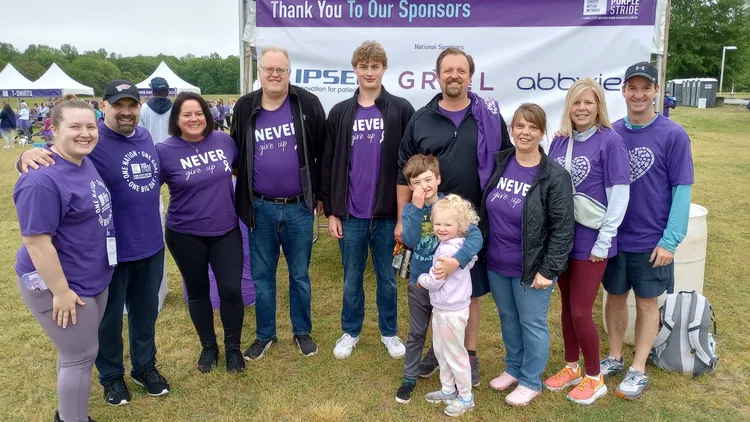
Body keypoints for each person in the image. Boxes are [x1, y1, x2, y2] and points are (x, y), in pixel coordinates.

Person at [18, 80, 169, 407]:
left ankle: (145, 367)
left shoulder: (144, 137)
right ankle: (112, 377)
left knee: (146, 314)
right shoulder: (91, 140)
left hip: (151, 246)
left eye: (132, 105)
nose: (126, 112)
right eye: (118, 105)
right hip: (109, 253)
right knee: (108, 320)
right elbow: (52, 158)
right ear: (104, 106)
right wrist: (26, 155)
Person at [398, 47, 513, 386]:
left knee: (469, 289)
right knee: (435, 281)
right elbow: (402, 170)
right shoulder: (422, 118)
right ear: (438, 76)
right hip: (430, 221)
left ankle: (469, 353)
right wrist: (402, 218)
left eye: (460, 70)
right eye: (448, 70)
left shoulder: (488, 114)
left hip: (474, 218)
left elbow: (507, 159)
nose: (454, 76)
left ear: (470, 76)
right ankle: (438, 348)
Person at [14, 100, 113, 422]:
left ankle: (67, 413)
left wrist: (26, 153)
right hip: (61, 284)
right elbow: (36, 243)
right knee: (80, 356)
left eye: (90, 126)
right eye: (75, 126)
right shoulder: (42, 180)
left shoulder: (82, 161)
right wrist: (60, 291)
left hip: (90, 274)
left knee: (75, 353)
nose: (85, 134)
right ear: (53, 130)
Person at [600, 62, 694, 400]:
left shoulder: (673, 134)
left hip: (652, 241)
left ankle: (638, 368)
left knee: (646, 303)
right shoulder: (611, 133)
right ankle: (613, 356)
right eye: (632, 87)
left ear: (656, 91)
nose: (639, 94)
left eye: (646, 87)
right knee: (613, 296)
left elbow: (682, 190)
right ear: (623, 91)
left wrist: (670, 240)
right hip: (615, 238)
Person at [230, 46, 326, 360]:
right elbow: (235, 154)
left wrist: (320, 196)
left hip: (299, 207)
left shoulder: (307, 103)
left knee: (300, 274)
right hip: (261, 207)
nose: (274, 74)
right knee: (262, 275)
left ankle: (302, 332)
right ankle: (264, 335)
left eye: (280, 70)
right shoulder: (245, 107)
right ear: (260, 73)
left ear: (288, 73)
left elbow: (323, 153)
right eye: (268, 69)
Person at [321, 41, 414, 360]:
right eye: (364, 66)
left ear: (384, 69)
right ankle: (350, 330)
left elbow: (412, 164)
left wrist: (408, 212)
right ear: (355, 69)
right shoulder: (340, 112)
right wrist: (331, 211)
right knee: (351, 278)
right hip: (351, 215)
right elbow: (328, 162)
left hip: (388, 214)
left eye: (375, 66)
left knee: (388, 279)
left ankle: (390, 332)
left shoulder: (401, 109)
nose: (369, 72)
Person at [480, 103, 574, 407]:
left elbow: (562, 229)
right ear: (512, 130)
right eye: (520, 126)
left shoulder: (554, 176)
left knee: (532, 322)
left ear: (541, 132)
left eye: (533, 127)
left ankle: (531, 380)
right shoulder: (501, 162)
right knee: (508, 318)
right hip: (497, 261)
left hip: (532, 266)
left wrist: (548, 270)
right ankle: (514, 368)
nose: (525, 132)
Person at [543, 79, 630, 404]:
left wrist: (603, 242)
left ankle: (594, 376)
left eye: (588, 103)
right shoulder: (560, 142)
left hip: (592, 243)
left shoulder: (611, 142)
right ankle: (571, 366)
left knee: (581, 311)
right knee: (566, 307)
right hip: (562, 240)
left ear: (599, 107)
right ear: (569, 107)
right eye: (576, 103)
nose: (582, 108)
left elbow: (619, 196)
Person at [156, 92, 245, 373]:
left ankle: (233, 348)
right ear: (177, 119)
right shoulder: (163, 150)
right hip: (184, 234)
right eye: (186, 114)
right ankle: (209, 347)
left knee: (231, 290)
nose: (194, 119)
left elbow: (243, 169)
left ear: (207, 116)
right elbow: (146, 187)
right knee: (197, 292)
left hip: (225, 230)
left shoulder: (224, 140)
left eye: (198, 113)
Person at [395, 154, 483, 405]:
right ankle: (410, 377)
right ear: (410, 186)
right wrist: (416, 207)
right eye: (417, 182)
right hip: (421, 281)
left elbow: (476, 237)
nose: (424, 186)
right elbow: (410, 240)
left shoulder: (451, 206)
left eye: (428, 179)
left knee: (449, 331)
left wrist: (457, 261)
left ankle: (458, 379)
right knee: (417, 331)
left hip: (450, 287)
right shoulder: (412, 209)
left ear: (438, 179)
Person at [417, 194, 479, 417]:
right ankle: (447, 389)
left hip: (451, 312)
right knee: (441, 351)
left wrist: (421, 279)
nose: (441, 228)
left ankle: (465, 397)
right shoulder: (460, 246)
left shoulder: (446, 251)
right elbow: (472, 260)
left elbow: (435, 282)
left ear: (460, 225)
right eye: (437, 224)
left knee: (454, 354)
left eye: (447, 224)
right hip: (445, 308)